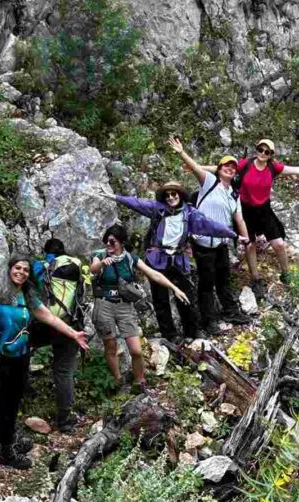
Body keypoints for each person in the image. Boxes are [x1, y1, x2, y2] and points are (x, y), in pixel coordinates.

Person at [0, 227, 88, 470]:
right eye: (17, 268)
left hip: (21, 357)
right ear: (10, 270)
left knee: (13, 402)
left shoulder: (28, 296)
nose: (21, 272)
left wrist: (73, 333)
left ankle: (6, 443)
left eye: (25, 270)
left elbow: (49, 317)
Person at [96, 183, 241, 341]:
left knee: (186, 295)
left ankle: (192, 331)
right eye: (168, 195)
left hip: (178, 259)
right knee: (160, 299)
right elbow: (137, 203)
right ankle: (169, 335)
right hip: (157, 258)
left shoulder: (190, 214)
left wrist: (233, 234)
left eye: (174, 194)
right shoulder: (158, 209)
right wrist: (114, 197)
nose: (171, 198)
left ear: (180, 195)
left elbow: (209, 225)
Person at [212, 139, 299, 298]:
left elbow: (296, 170)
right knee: (250, 246)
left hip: (264, 210)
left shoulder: (273, 167)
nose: (263, 153)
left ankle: (286, 274)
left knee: (278, 244)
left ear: (271, 155)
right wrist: (195, 168)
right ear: (256, 149)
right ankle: (256, 279)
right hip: (245, 210)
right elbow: (221, 169)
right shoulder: (246, 164)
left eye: (267, 151)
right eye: (260, 149)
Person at [89, 224, 191, 392]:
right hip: (104, 304)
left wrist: (175, 288)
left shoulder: (130, 258)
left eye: (112, 241)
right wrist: (101, 264)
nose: (108, 245)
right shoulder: (99, 255)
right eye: (106, 241)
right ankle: (118, 379)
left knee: (135, 350)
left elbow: (154, 274)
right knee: (111, 344)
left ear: (121, 242)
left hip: (124, 306)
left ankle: (140, 381)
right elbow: (93, 269)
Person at [167, 137, 252, 333]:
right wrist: (181, 151)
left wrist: (245, 238)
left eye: (233, 168)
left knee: (223, 279)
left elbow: (239, 219)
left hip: (221, 244)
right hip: (203, 244)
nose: (229, 169)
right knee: (207, 283)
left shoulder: (234, 194)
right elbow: (195, 167)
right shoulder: (210, 182)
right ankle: (209, 320)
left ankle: (230, 311)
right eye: (226, 166)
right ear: (219, 168)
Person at [28, 238, 84, 433]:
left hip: (44, 324)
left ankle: (23, 397)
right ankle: (65, 420)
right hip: (70, 323)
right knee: (64, 371)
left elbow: (27, 281)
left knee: (19, 352)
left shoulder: (42, 265)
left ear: (46, 252)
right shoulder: (76, 263)